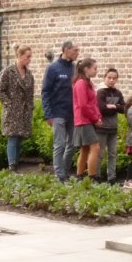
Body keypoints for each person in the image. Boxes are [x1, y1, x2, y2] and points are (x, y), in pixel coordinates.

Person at [42, 41, 79, 181]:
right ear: (66, 50)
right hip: (57, 113)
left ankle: (64, 171)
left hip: (73, 113)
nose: (77, 53)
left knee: (73, 144)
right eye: (75, 50)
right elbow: (45, 91)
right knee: (60, 144)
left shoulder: (75, 69)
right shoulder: (53, 68)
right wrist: (48, 114)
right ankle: (59, 175)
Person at [0, 44, 35, 173]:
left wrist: (30, 107)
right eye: (27, 57)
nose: (29, 59)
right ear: (19, 55)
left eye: (30, 57)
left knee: (20, 138)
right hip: (12, 111)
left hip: (24, 112)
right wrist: (9, 104)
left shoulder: (29, 74)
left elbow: (30, 93)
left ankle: (16, 164)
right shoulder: (8, 71)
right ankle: (12, 166)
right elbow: (0, 90)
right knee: (13, 137)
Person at [72, 58, 102, 180]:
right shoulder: (81, 83)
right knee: (95, 147)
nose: (96, 71)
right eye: (94, 68)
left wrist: (98, 117)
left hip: (88, 120)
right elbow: (83, 105)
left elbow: (93, 103)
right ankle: (92, 177)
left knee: (85, 149)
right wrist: (95, 119)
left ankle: (79, 176)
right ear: (86, 69)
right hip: (83, 121)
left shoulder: (89, 83)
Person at [95, 67, 124, 183]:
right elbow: (101, 109)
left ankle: (111, 178)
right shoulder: (101, 92)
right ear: (105, 78)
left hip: (113, 128)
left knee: (113, 154)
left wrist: (113, 106)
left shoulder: (118, 93)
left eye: (114, 78)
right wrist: (116, 107)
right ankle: (96, 176)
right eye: (109, 78)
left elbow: (124, 108)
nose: (111, 80)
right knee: (100, 154)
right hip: (102, 128)